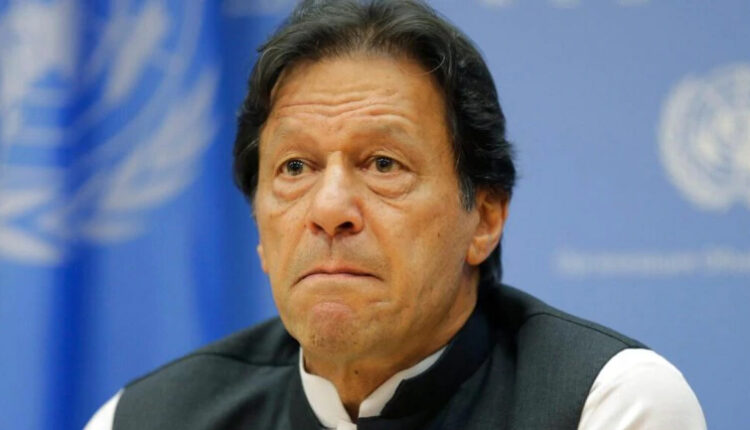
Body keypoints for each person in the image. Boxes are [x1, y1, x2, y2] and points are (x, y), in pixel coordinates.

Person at [86, 0, 706, 428]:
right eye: (295, 167)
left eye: (383, 163)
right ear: (258, 228)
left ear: (485, 217)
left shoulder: (605, 404)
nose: (329, 209)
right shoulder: (142, 420)